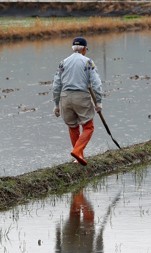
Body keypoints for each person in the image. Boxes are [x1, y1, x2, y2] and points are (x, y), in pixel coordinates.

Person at [52, 37, 103, 166]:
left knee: (73, 126)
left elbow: (56, 84)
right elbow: (96, 83)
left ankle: (78, 157)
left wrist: (56, 105)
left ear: (73, 48)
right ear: (84, 49)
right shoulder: (88, 62)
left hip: (65, 97)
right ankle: (77, 150)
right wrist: (98, 102)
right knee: (88, 127)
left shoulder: (63, 62)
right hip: (81, 96)